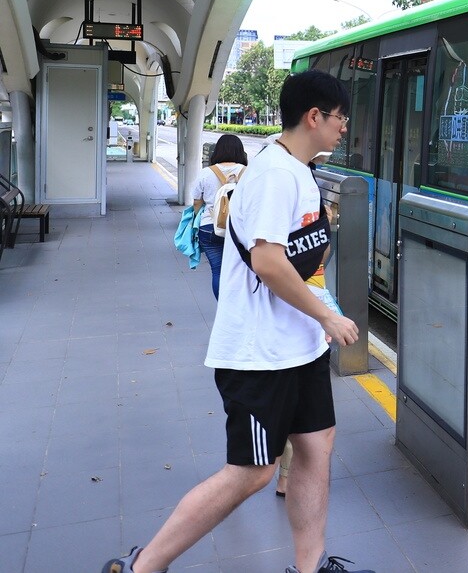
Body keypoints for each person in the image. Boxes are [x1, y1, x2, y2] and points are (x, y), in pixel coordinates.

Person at [103, 70, 370, 573]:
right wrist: (328, 317)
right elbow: (269, 262)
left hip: (299, 346)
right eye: (340, 119)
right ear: (315, 117)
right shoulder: (273, 175)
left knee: (317, 446)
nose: (343, 129)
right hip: (260, 354)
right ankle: (144, 566)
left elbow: (300, 255)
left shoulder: (298, 170)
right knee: (252, 472)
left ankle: (309, 568)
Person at [190, 134, 248, 300]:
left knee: (218, 270)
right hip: (239, 229)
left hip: (209, 228)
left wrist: (196, 219)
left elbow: (196, 202)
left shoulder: (206, 173)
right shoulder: (246, 172)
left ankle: (223, 306)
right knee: (240, 270)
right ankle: (239, 305)